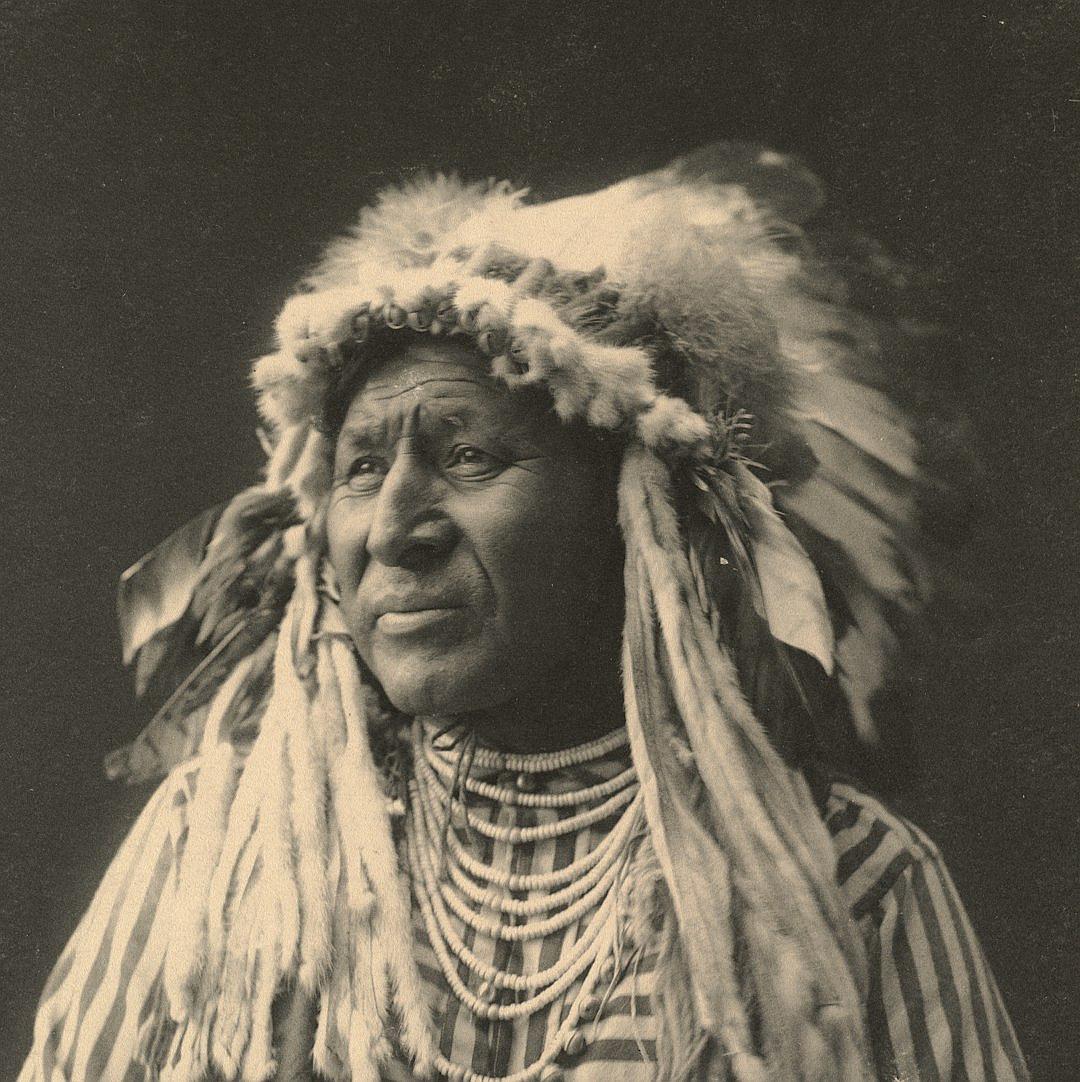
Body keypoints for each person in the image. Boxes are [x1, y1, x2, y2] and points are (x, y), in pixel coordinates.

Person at [19, 144, 1028, 1082]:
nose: (396, 528)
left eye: (468, 455)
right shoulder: (219, 842)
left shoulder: (844, 880)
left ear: (638, 518)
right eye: (362, 466)